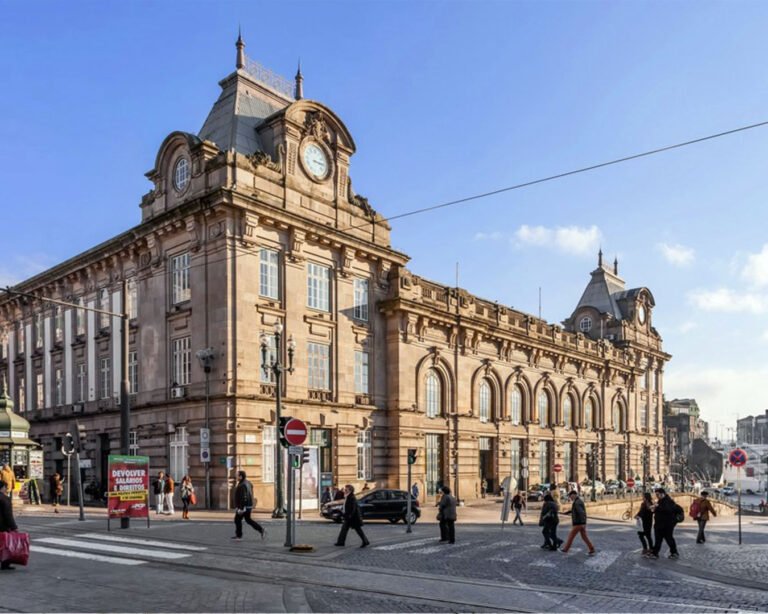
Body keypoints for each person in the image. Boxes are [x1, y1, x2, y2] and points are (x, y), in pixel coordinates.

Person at [560, 490, 596, 556]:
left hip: (578, 523)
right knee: (584, 537)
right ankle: (591, 548)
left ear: (573, 495)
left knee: (571, 536)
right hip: (581, 523)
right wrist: (568, 512)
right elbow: (576, 510)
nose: (570, 498)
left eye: (570, 496)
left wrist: (582, 523)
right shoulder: (578, 501)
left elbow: (581, 513)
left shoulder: (577, 502)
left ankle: (566, 549)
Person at [232, 470, 265, 540]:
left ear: (240, 476)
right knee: (248, 520)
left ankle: (239, 535)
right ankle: (261, 529)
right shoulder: (247, 483)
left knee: (237, 519)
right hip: (247, 505)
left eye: (237, 475)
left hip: (244, 506)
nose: (236, 477)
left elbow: (244, 497)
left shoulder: (243, 484)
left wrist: (241, 508)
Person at [648, 488, 679, 559]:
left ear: (663, 494)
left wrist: (657, 507)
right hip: (659, 524)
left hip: (667, 525)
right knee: (658, 540)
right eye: (656, 494)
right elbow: (660, 510)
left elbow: (668, 510)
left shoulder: (669, 501)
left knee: (669, 539)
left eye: (658, 494)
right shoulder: (660, 501)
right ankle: (655, 553)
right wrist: (654, 509)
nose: (657, 496)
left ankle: (674, 553)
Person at [0, 480, 18, 570]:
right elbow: (8, 515)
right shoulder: (5, 499)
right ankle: (5, 564)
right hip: (2, 526)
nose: (6, 489)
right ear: (2, 488)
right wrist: (13, 527)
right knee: (5, 545)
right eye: (5, 488)